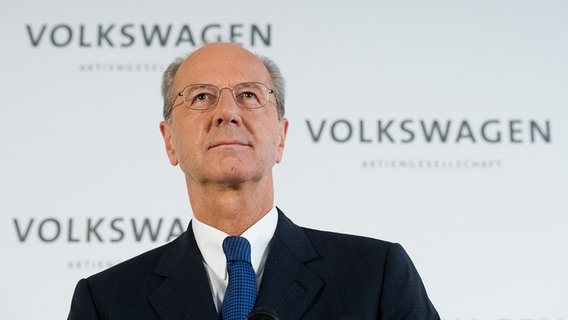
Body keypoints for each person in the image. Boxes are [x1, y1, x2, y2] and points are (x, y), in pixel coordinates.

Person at [67, 42, 440, 319]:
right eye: (201, 97)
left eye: (248, 95)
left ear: (281, 136)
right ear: (169, 142)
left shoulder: (376, 275)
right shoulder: (107, 301)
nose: (227, 113)